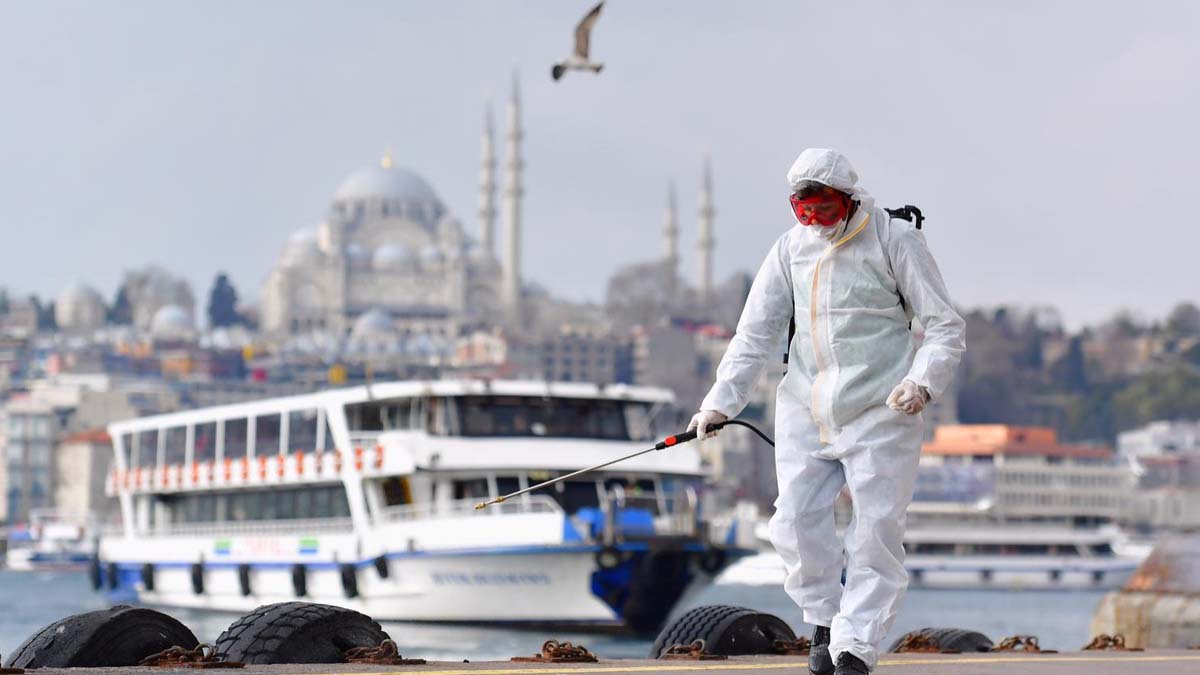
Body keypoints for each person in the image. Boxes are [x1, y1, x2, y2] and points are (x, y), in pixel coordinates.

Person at [689, 149, 965, 675]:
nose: (813, 221)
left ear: (848, 199)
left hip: (882, 408)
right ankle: (823, 620)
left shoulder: (894, 240)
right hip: (804, 407)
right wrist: (719, 404)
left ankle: (855, 646)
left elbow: (945, 327)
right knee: (792, 523)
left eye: (821, 209)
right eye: (802, 210)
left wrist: (921, 384)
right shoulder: (790, 250)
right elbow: (755, 334)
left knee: (876, 531)